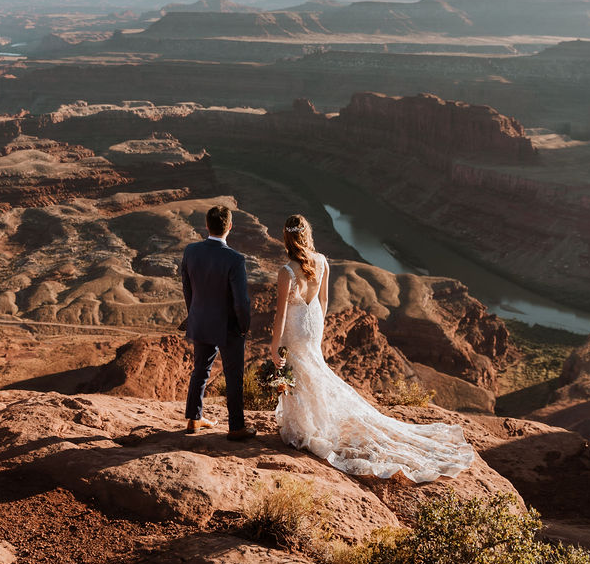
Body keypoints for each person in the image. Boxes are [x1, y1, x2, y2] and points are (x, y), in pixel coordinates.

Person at [269, 214, 474, 482]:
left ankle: (304, 426)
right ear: (307, 235)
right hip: (314, 321)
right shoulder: (322, 262)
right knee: (312, 369)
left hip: (295, 326)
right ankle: (313, 422)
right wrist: (317, 328)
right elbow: (325, 299)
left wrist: (275, 347)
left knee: (297, 370)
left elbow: (281, 315)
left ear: (287, 238)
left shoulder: (286, 272)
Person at [181, 205, 255, 441]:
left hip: (201, 320)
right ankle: (236, 427)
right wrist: (244, 326)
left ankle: (194, 419)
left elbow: (187, 288)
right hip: (228, 326)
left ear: (207, 225)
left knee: (200, 370)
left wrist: (194, 313)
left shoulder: (191, 251)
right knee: (234, 375)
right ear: (230, 227)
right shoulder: (235, 259)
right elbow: (241, 301)